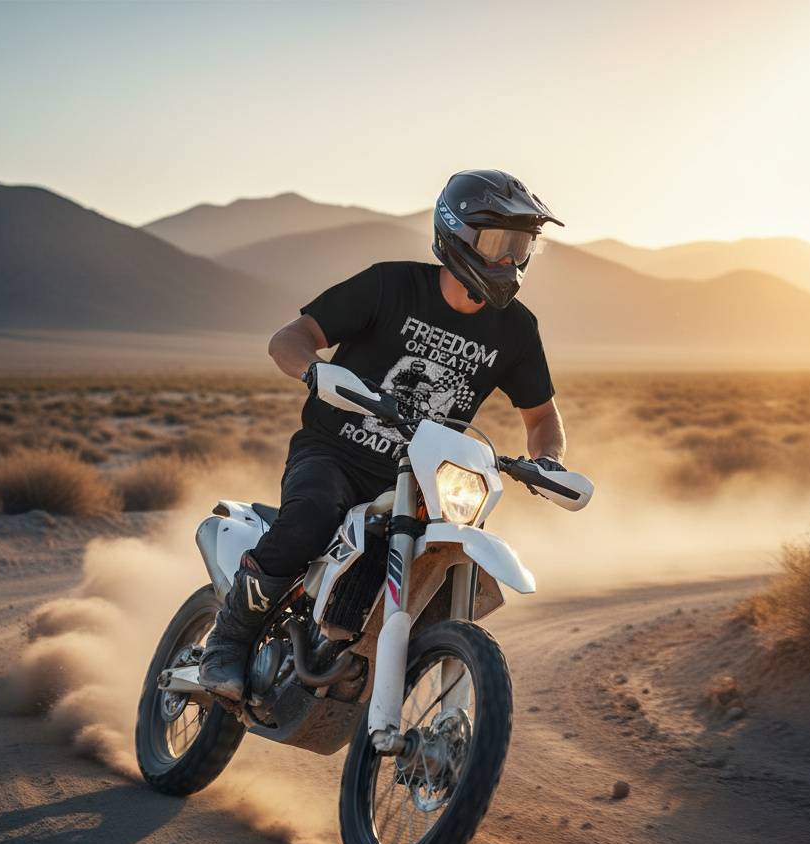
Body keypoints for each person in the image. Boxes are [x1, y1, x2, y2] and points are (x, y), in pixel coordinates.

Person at [199, 169, 569, 701]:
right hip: (335, 455)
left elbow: (542, 419)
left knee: (444, 563)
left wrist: (547, 459)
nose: (510, 261)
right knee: (310, 516)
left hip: (422, 481)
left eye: (520, 247)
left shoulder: (516, 329)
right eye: (497, 244)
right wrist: (314, 371)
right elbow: (292, 337)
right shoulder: (390, 285)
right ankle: (229, 640)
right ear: (457, 235)